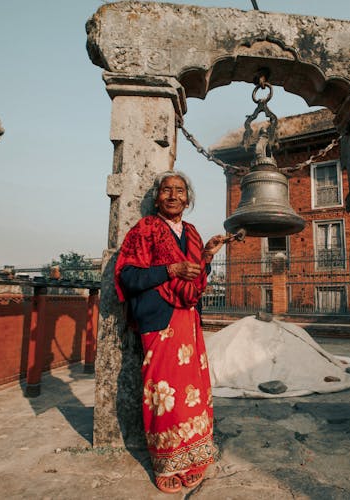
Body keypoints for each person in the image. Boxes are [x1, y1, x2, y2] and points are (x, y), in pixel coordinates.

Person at [114, 170, 225, 494]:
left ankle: (195, 455)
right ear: (157, 197)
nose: (173, 195)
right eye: (167, 190)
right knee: (163, 394)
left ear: (187, 199)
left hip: (187, 319)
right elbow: (128, 276)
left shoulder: (191, 233)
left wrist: (205, 256)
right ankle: (167, 462)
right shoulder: (145, 229)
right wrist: (169, 269)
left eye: (180, 190)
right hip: (159, 321)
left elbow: (195, 282)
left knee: (192, 393)